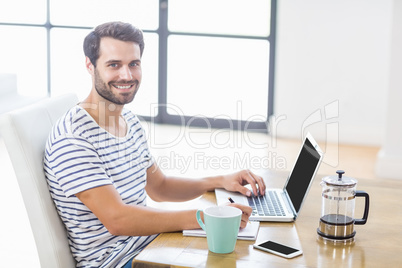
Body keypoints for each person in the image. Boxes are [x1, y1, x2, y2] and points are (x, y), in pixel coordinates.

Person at [44, 21, 266, 268]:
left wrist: (219, 181)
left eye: (133, 64)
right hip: (118, 261)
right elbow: (118, 219)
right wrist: (206, 218)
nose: (126, 75)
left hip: (151, 245)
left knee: (251, 254)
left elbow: (159, 187)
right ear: (90, 65)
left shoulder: (128, 120)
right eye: (114, 65)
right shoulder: (74, 137)